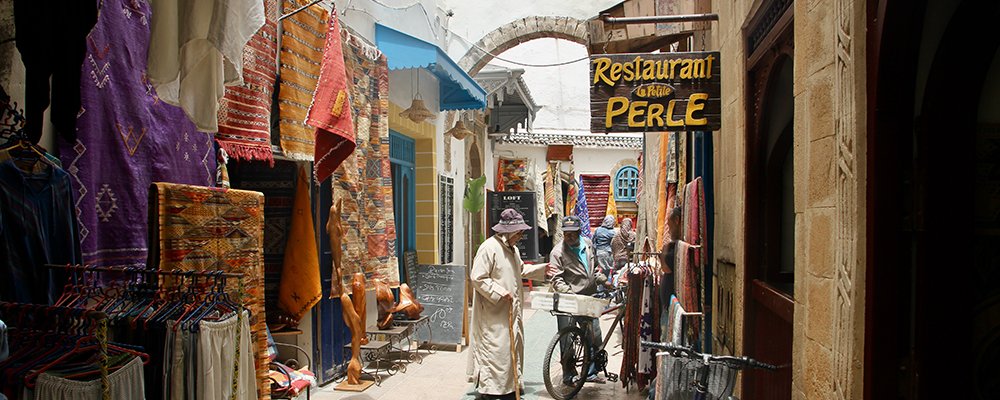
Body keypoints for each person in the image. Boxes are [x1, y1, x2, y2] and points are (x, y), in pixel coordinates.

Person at [469, 209, 547, 400]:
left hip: (511, 309)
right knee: (495, 349)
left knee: (510, 348)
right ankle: (490, 389)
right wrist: (499, 291)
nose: (520, 236)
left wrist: (543, 269)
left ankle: (510, 385)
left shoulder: (513, 249)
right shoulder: (489, 248)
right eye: (519, 232)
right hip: (493, 311)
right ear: (508, 232)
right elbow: (477, 278)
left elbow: (519, 269)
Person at [549, 215, 609, 385]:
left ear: (579, 232)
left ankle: (590, 373)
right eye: (565, 233)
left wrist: (604, 280)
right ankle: (568, 376)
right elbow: (557, 280)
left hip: (588, 299)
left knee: (594, 335)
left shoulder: (588, 245)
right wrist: (570, 295)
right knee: (567, 339)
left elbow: (594, 269)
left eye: (572, 233)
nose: (568, 237)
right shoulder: (557, 253)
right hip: (568, 301)